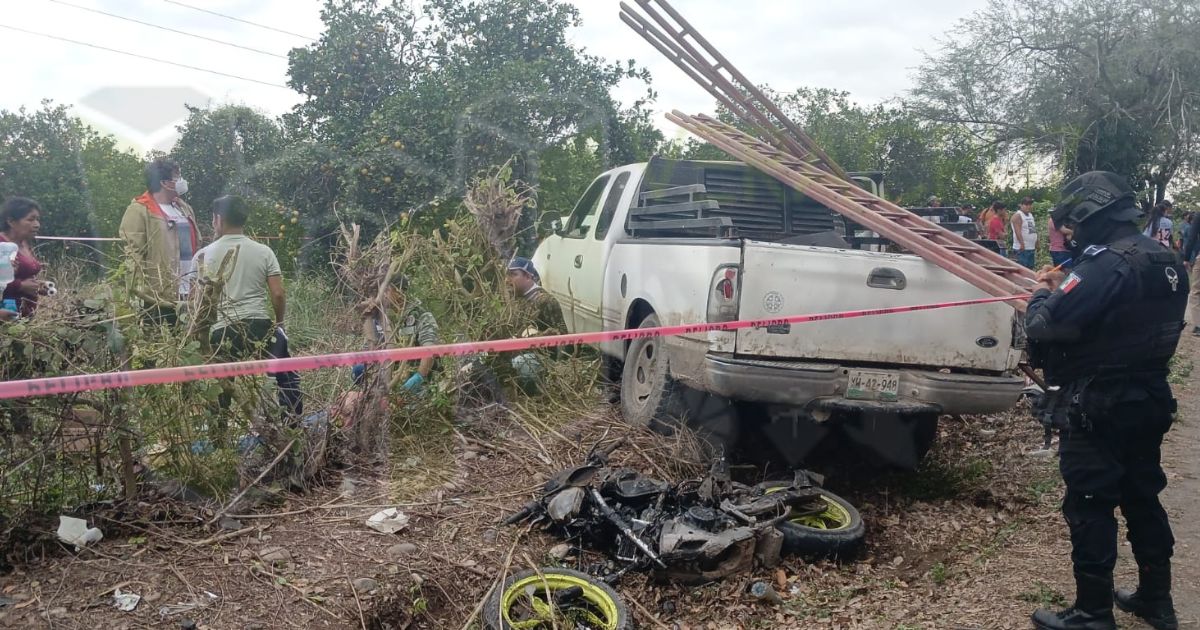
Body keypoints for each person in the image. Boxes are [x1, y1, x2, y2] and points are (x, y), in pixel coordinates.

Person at [1024, 171, 1186, 630]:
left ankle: (1092, 614)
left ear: (1091, 214)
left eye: (1072, 224)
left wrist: (1040, 292)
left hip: (1099, 403)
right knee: (1142, 497)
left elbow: (1042, 326)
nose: (1071, 234)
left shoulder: (1104, 266)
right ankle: (1157, 600)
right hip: (1149, 397)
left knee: (1090, 503)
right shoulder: (1166, 258)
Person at [192, 196, 301, 418]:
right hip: (259, 326)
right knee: (287, 376)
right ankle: (293, 425)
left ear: (218, 219)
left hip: (223, 332)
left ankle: (218, 435)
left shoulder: (202, 255)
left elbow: (195, 302)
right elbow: (278, 294)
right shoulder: (263, 251)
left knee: (220, 385)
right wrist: (279, 324)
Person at [119, 157, 198, 326]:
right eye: (177, 177)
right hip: (159, 295)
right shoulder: (140, 210)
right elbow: (134, 254)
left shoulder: (184, 208)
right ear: (164, 182)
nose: (181, 181)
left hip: (189, 292)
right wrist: (136, 292)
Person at [505, 257, 567, 391]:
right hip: (516, 352)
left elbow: (563, 339)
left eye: (513, 275)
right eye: (507, 275)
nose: (508, 280)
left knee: (519, 364)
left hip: (542, 359)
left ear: (528, 276)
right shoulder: (514, 299)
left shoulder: (546, 301)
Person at [0, 197, 46, 317]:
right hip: (5, 318)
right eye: (30, 220)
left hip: (24, 318)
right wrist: (20, 286)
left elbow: (22, 275)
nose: (37, 225)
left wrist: (38, 286)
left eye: (37, 220)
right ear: (11, 221)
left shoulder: (23, 243)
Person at [1012, 197, 1039, 269]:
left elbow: (1033, 229)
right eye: (1026, 204)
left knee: (1030, 268)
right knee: (1023, 268)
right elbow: (1017, 231)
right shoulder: (1018, 215)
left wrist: (1036, 241)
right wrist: (1022, 244)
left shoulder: (1030, 215)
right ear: (1021, 205)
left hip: (1031, 247)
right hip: (1022, 249)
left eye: (1030, 204)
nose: (1029, 206)